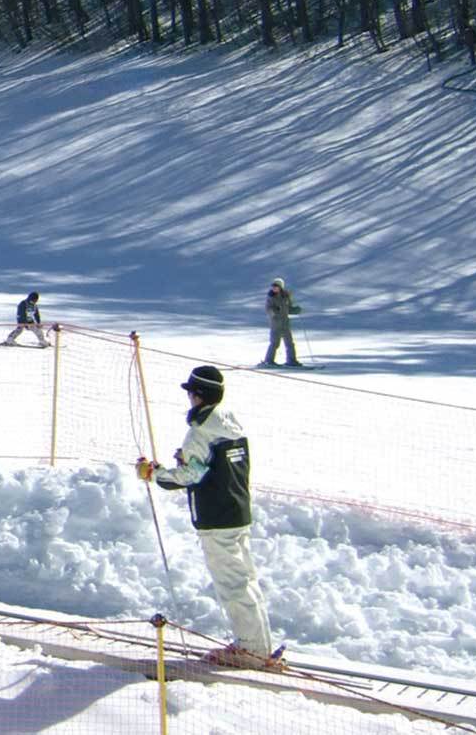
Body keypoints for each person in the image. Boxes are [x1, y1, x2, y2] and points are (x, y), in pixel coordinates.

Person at [136, 365, 278, 669]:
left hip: (217, 517)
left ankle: (251, 651)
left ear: (199, 395)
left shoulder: (200, 432)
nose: (189, 397)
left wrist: (155, 474)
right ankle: (258, 645)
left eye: (190, 392)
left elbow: (191, 475)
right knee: (246, 580)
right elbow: (210, 466)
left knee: (233, 585)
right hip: (238, 510)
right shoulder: (229, 422)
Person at [261, 279, 302, 367]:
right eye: (273, 286)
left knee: (289, 343)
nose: (274, 288)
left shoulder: (286, 296)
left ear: (280, 287)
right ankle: (269, 360)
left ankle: (292, 361)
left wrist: (295, 310)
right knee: (275, 343)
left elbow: (288, 309)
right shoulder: (271, 297)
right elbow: (268, 309)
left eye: (276, 286)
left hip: (285, 323)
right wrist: (274, 312)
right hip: (276, 324)